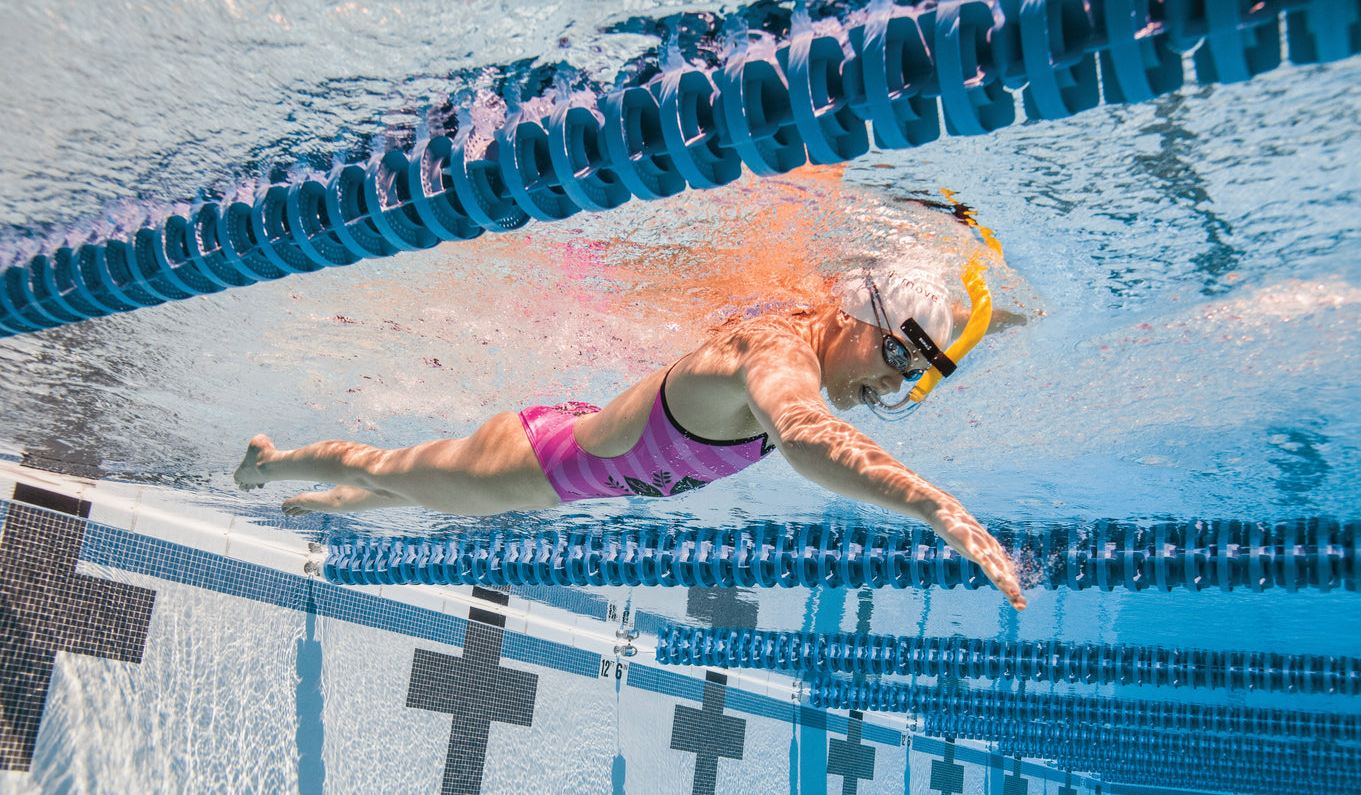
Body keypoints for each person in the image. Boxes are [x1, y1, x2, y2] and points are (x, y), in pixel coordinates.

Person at [234, 261, 1027, 610]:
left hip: (568, 451)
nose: (895, 382)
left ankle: (325, 499)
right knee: (386, 467)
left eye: (913, 375)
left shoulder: (799, 347)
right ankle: (268, 465)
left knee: (391, 485)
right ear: (853, 312)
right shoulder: (780, 353)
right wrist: (933, 508)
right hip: (526, 466)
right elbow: (805, 434)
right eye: (896, 353)